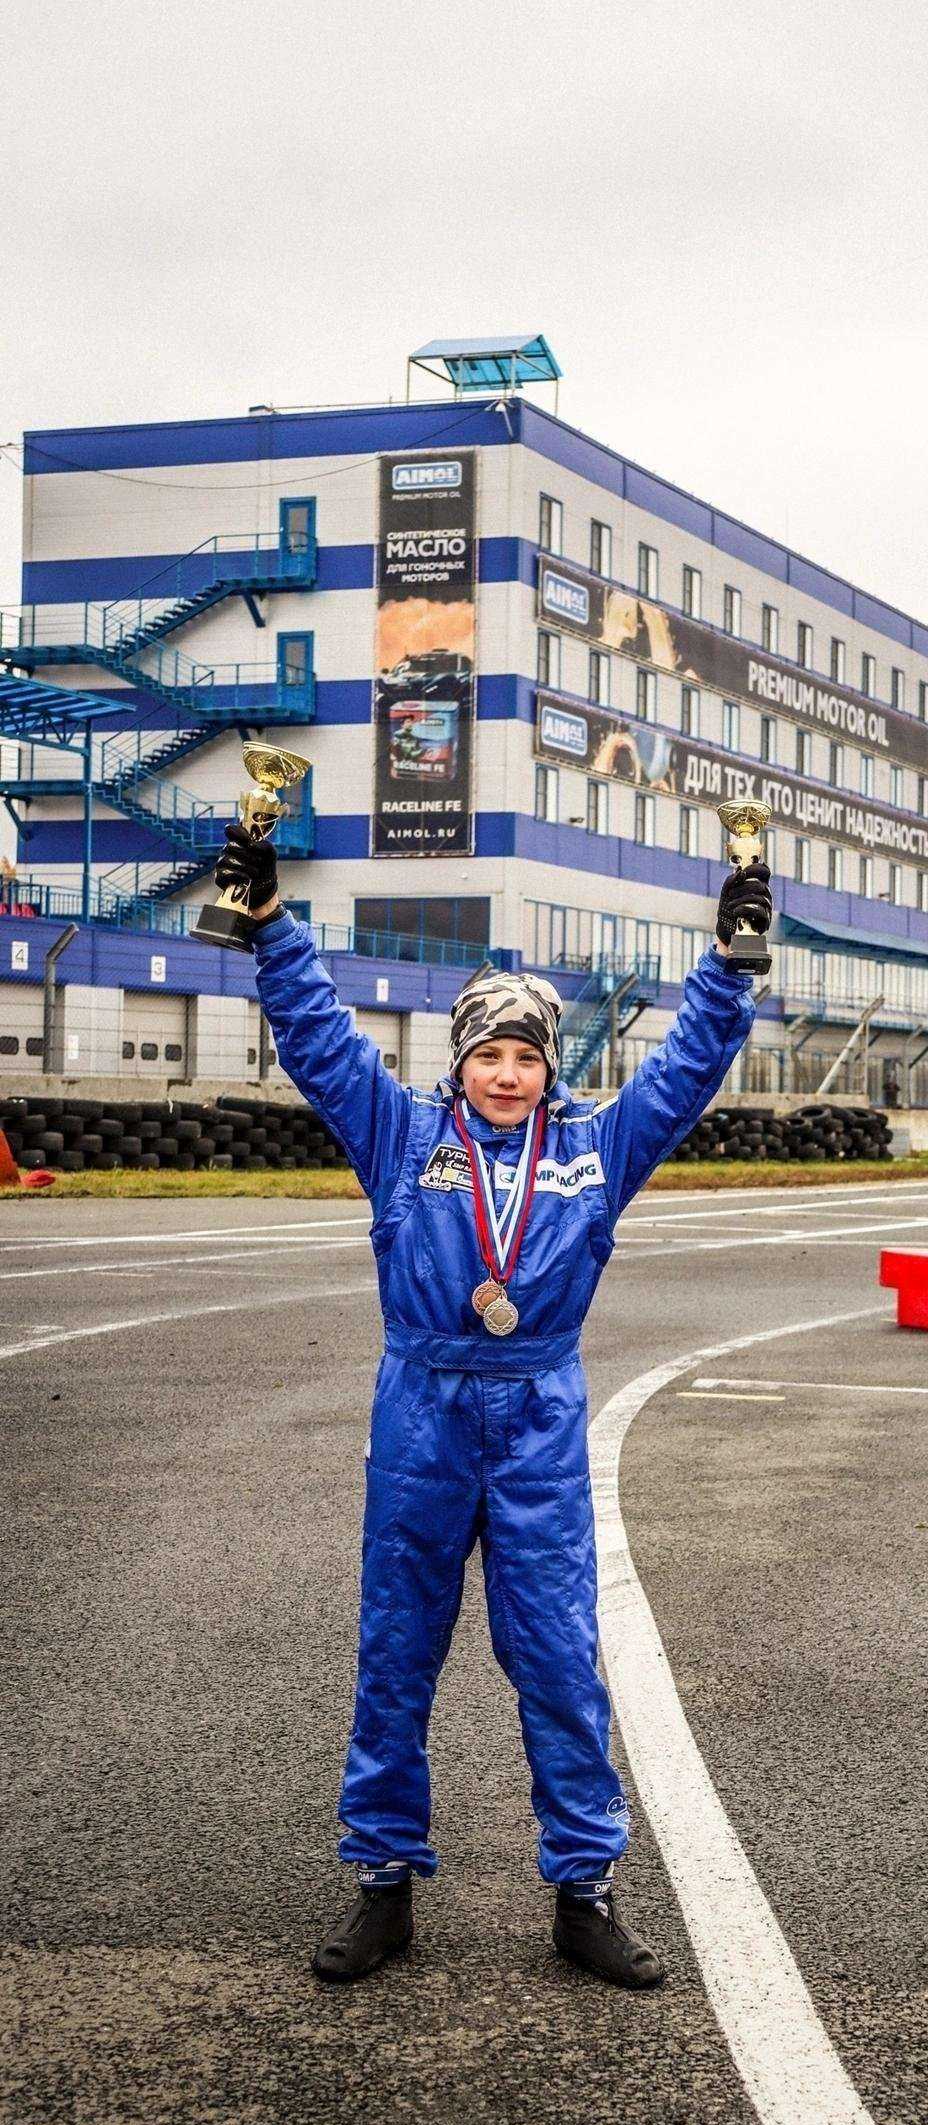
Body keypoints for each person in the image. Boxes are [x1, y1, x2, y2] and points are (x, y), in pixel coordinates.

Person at [212, 819, 770, 1991]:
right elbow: (318, 1039)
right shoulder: (401, 1135)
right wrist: (269, 926)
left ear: (550, 1067)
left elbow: (683, 1075)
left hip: (539, 1416)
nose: (508, 1074)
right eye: (489, 1054)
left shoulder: (597, 1148)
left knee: (559, 1657)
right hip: (419, 1410)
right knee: (396, 1649)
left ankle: (585, 1891)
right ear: (460, 1060)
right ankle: (382, 1883)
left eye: (526, 1056)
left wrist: (727, 968)